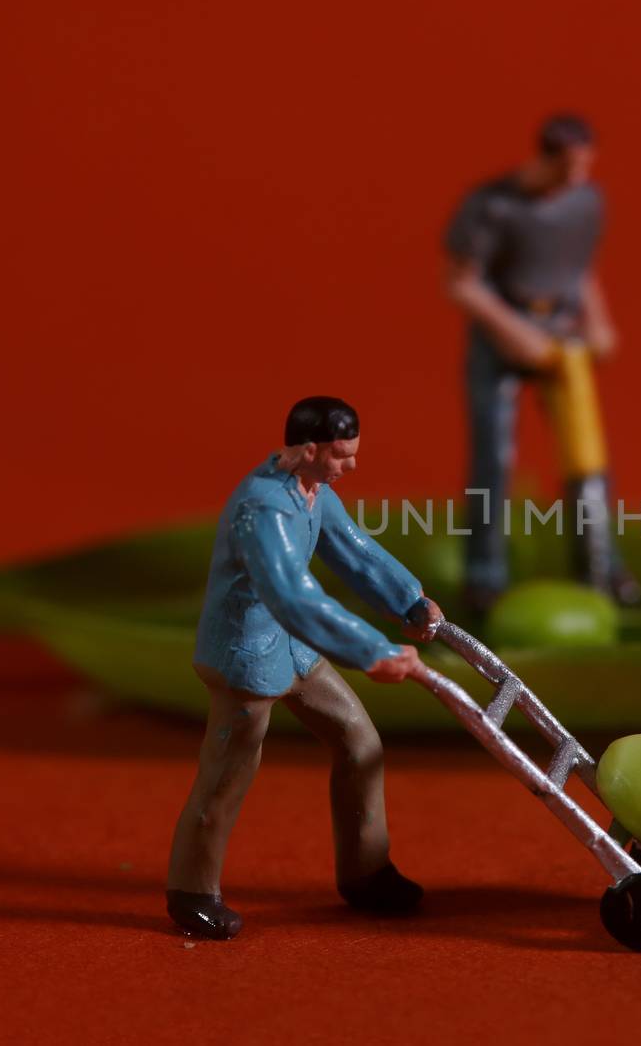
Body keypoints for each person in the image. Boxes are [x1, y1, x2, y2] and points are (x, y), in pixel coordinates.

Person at [165, 396, 443, 940]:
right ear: (308, 449)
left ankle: (366, 872)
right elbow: (292, 594)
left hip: (293, 647)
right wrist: (371, 649)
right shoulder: (264, 509)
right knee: (228, 775)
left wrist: (409, 600)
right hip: (245, 656)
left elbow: (355, 552)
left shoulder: (316, 494)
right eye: (342, 455)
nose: (351, 466)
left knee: (358, 739)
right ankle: (192, 891)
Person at [443, 112, 638, 613]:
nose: (577, 176)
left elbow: (580, 270)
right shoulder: (492, 206)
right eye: (569, 165)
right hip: (502, 338)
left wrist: (599, 322)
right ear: (546, 156)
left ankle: (602, 569)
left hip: (563, 335)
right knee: (493, 462)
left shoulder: (587, 202)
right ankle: (484, 579)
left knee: (587, 457)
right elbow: (462, 283)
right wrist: (514, 331)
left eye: (586, 165)